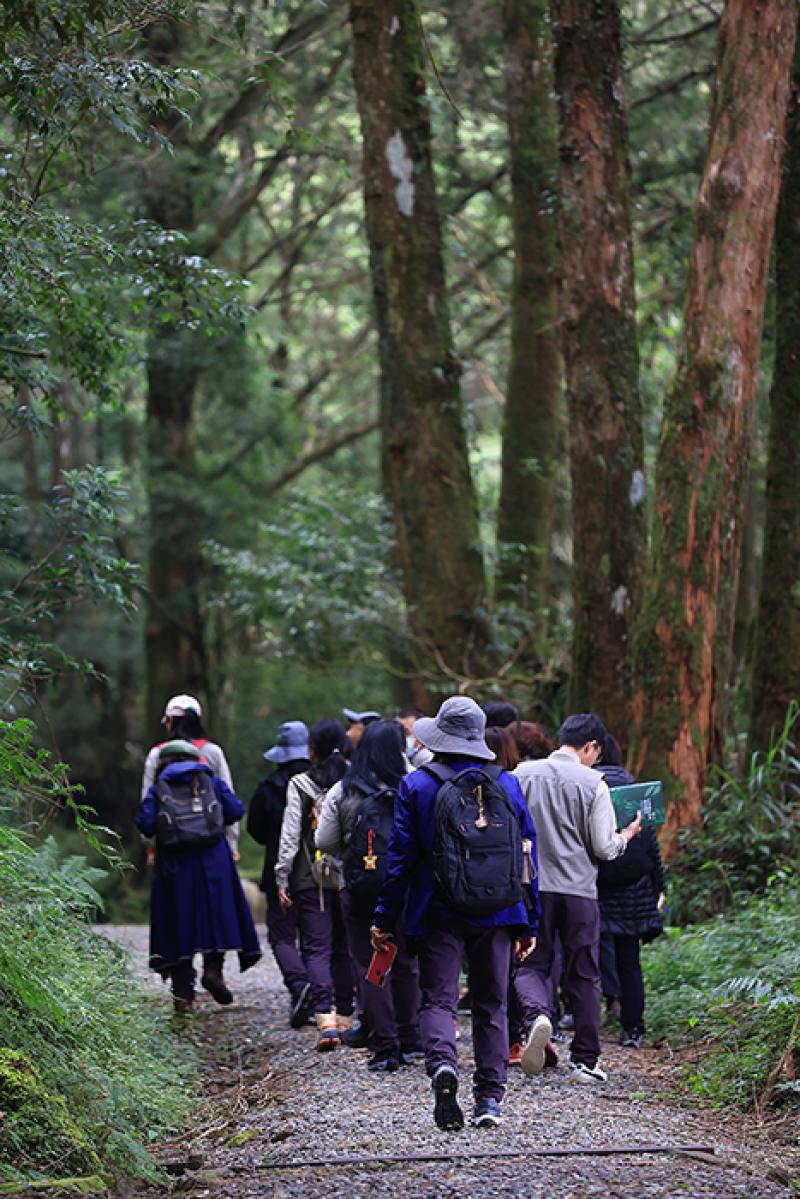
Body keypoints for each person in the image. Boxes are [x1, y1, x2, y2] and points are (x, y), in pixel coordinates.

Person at [371, 696, 539, 1130]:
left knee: (440, 999)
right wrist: (529, 918)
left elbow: (399, 859)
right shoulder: (508, 784)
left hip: (436, 909)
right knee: (491, 1002)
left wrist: (385, 918)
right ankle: (489, 1099)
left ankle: (444, 1065)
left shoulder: (418, 785)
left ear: (439, 737)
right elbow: (526, 856)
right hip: (500, 911)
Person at [513, 713, 641, 1084]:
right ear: (592, 747)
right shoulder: (593, 782)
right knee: (584, 973)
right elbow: (603, 846)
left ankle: (538, 1016)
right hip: (578, 891)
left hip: (532, 886)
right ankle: (585, 1060)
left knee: (531, 965)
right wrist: (627, 836)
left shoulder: (523, 775)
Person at [316, 719, 421, 1073]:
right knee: (406, 962)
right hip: (405, 886)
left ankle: (385, 1045)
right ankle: (411, 1040)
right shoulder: (412, 785)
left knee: (370, 965)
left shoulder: (343, 790)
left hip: (359, 888)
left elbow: (324, 842)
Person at [136, 740, 261, 1013]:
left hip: (175, 863)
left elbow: (144, 823)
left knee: (178, 922)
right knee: (214, 916)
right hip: (213, 859)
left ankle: (183, 994)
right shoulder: (210, 782)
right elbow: (236, 810)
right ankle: (213, 971)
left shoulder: (159, 787)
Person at [274, 719, 354, 1051]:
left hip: (311, 878)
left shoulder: (301, 783)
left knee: (317, 948)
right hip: (351, 875)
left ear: (312, 750)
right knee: (345, 948)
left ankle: (325, 1020)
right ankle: (348, 1015)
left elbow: (290, 834)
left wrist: (282, 876)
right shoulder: (356, 779)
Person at [595, 735, 666, 1049]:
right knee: (629, 959)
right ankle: (633, 1027)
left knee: (586, 953)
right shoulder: (636, 791)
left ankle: (582, 1019)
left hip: (595, 885)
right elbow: (650, 847)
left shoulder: (591, 785)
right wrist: (658, 887)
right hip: (633, 891)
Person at [247, 720, 314, 1028]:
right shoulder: (322, 781)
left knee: (282, 934)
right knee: (318, 939)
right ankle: (326, 1000)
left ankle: (299, 985)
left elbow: (256, 830)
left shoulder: (269, 786)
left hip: (280, 873)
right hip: (318, 872)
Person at [141, 694, 240, 860]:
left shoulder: (157, 754)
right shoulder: (213, 752)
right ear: (198, 719)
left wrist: (150, 845)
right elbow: (228, 798)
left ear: (170, 720)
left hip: (170, 846)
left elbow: (147, 801)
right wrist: (232, 843)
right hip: (212, 845)